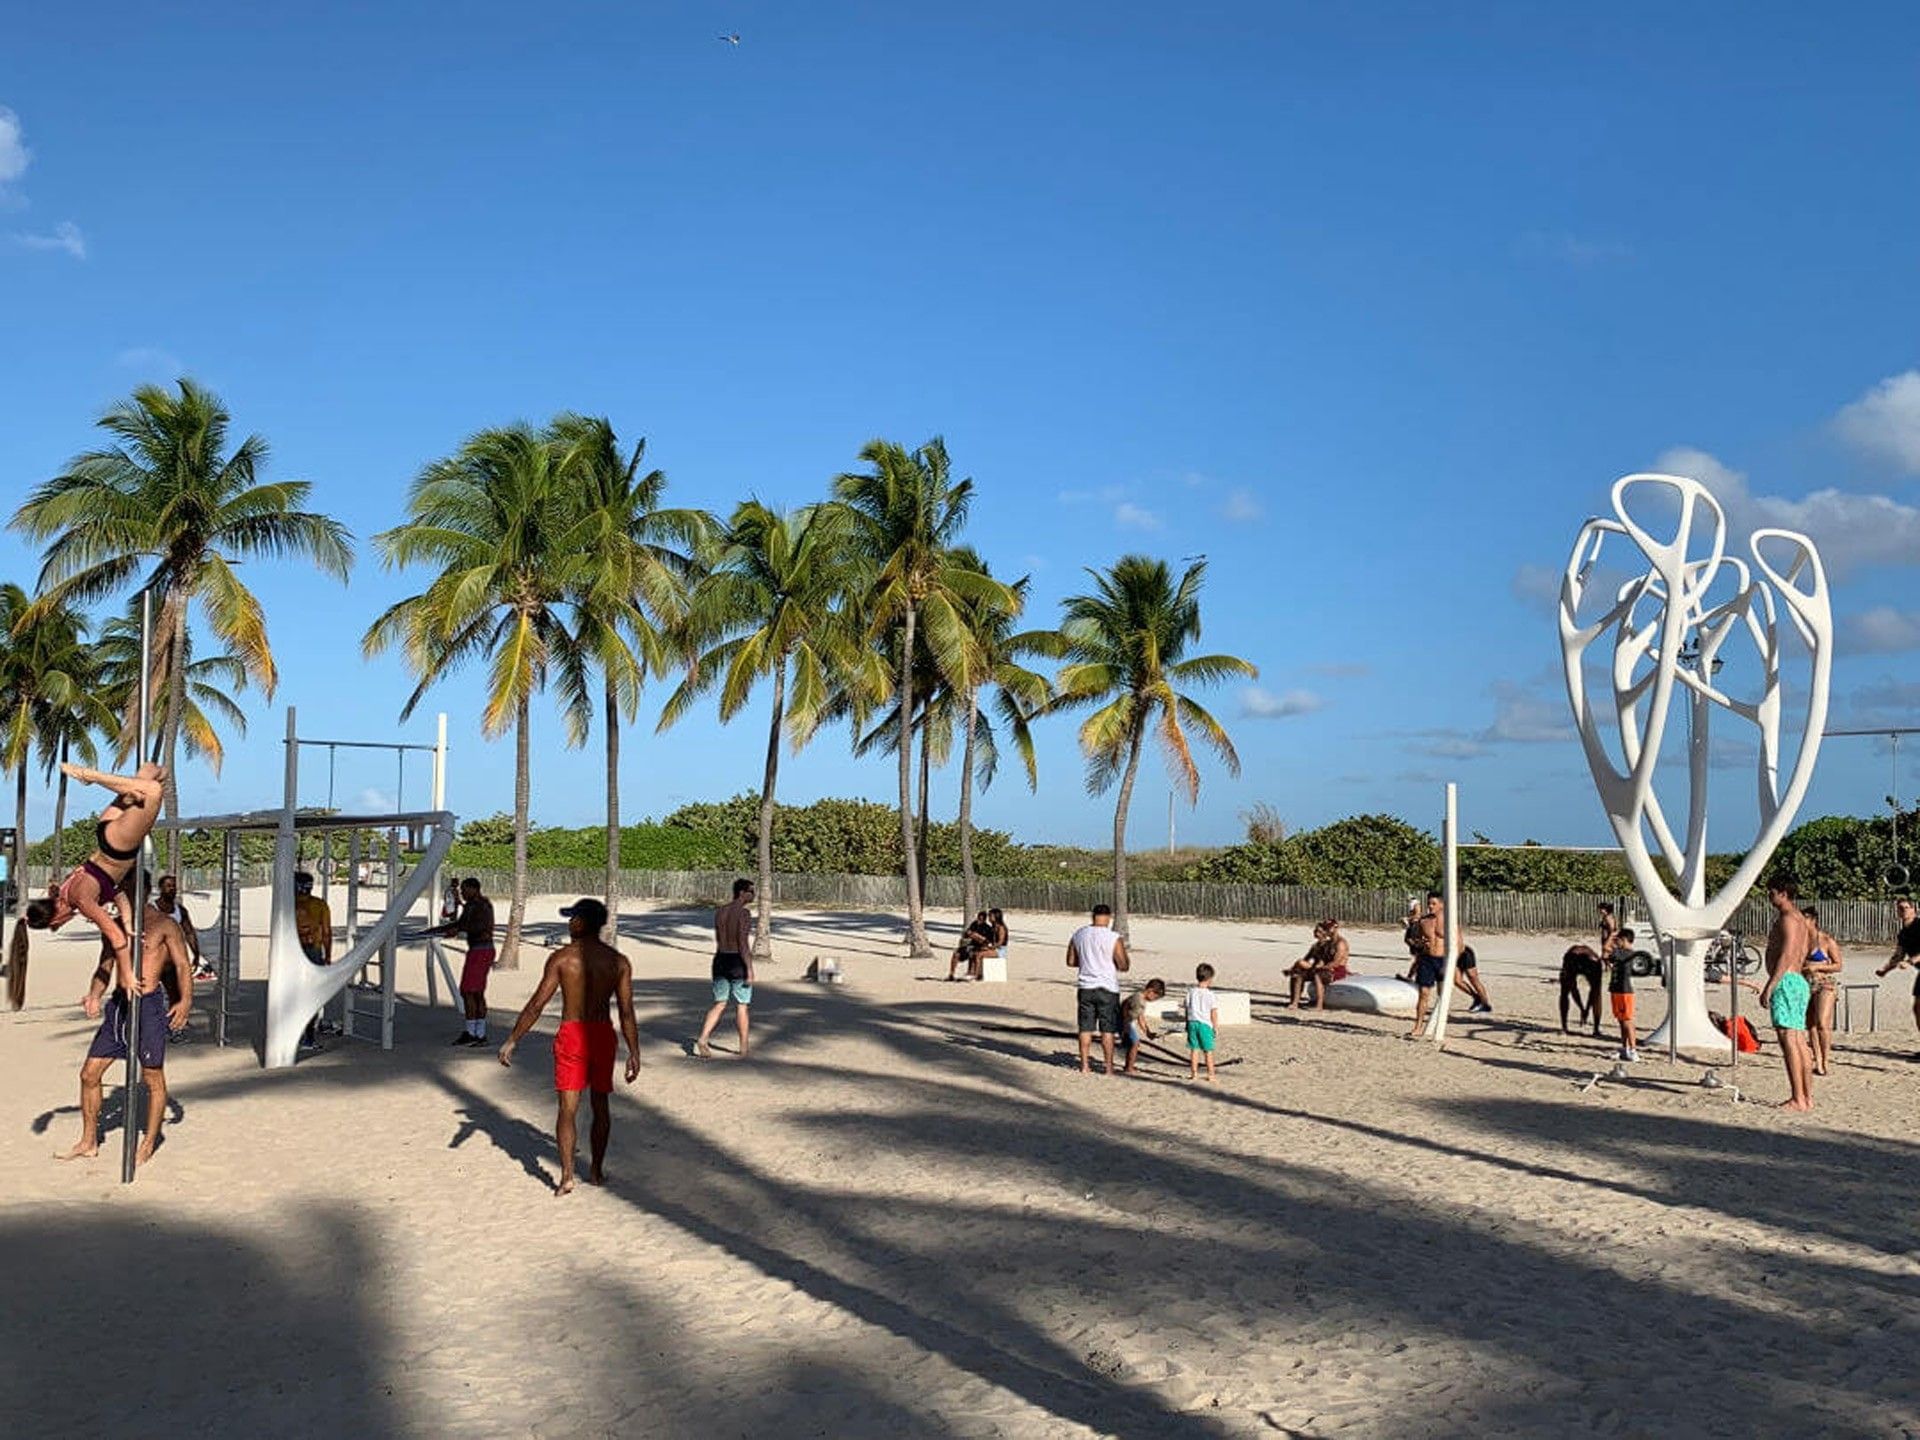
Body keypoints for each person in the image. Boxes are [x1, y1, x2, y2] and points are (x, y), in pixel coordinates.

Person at [499, 898, 641, 1195]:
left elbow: (537, 1004)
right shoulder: (618, 962)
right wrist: (634, 1052)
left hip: (573, 1034)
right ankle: (597, 1171)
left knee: (567, 1108)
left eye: (573, 918)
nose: (569, 923)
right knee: (600, 1104)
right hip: (602, 1034)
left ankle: (566, 1176)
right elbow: (627, 1012)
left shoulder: (563, 959)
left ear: (583, 923)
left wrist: (513, 1040)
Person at [58, 880, 191, 1166]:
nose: (121, 897)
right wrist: (94, 994)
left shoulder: (164, 924)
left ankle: (148, 1142)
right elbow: (105, 965)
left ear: (142, 891)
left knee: (152, 1076)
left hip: (149, 1006)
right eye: (119, 893)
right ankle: (89, 1140)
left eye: (127, 891)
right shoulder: (114, 925)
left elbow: (182, 964)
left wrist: (185, 1001)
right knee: (89, 1074)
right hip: (119, 1005)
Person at [24, 763, 167, 979]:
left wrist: (127, 975)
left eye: (56, 927)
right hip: (106, 832)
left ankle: (90, 776)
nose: (61, 926)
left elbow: (116, 939)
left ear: (55, 919)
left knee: (152, 792)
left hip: (119, 847)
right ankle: (124, 792)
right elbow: (117, 893)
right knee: (155, 772)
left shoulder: (81, 900)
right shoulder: (65, 890)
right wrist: (128, 922)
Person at [1746, 874, 1814, 1112]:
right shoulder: (1800, 920)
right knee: (1798, 1040)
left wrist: (1771, 985)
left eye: (1772, 892)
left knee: (1789, 1040)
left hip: (1786, 981)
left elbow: (1786, 954)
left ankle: (1798, 1097)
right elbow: (1804, 950)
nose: (1769, 896)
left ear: (1783, 893)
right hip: (1796, 981)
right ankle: (1806, 1096)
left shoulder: (1788, 919)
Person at [431, 877, 496, 1046]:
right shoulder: (471, 906)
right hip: (476, 950)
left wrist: (459, 929)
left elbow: (481, 926)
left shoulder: (483, 906)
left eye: (465, 890)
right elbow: (461, 923)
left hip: (482, 950)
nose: (463, 893)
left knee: (472, 991)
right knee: (470, 991)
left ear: (475, 889)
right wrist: (437, 930)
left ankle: (479, 1034)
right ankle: (472, 1031)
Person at [1066, 903, 1130, 1075]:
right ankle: (1108, 1067)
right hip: (1107, 987)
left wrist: (1087, 962)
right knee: (1107, 1030)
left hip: (1086, 985)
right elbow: (1123, 965)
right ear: (1109, 917)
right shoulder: (1113, 937)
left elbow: (1071, 961)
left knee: (1085, 1028)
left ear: (1092, 916)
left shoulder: (1079, 934)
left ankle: (1085, 1065)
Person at [695, 878, 755, 1058]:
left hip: (720, 958)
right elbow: (743, 943)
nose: (753, 895)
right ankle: (743, 1048)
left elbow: (719, 938)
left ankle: (703, 1038)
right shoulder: (744, 914)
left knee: (720, 1003)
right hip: (737, 960)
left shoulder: (721, 911)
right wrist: (749, 968)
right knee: (742, 1005)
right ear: (742, 893)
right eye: (751, 891)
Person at [292, 870, 334, 1048]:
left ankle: (295, 1033)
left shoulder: (288, 904)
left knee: (292, 992)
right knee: (312, 993)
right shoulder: (320, 905)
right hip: (314, 951)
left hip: (292, 951)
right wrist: (328, 955)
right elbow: (326, 933)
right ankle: (308, 1036)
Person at [1872, 896, 1920, 1045]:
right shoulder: (1903, 933)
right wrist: (1885, 971)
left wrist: (1910, 961)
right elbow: (1898, 955)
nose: (1903, 911)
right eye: (1900, 908)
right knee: (1917, 1008)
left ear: (1914, 910)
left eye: (1906, 908)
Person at [1802, 906, 1842, 1078]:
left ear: (1813, 920)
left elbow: (1838, 965)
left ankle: (1826, 1060)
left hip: (1824, 983)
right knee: (1809, 1024)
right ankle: (1817, 1059)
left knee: (1822, 1023)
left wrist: (1818, 966)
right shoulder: (1799, 941)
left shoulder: (1826, 940)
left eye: (1804, 919)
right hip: (1804, 983)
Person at [155, 874, 214, 984]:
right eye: (168, 886)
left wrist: (196, 954)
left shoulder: (180, 910)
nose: (172, 888)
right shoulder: (152, 908)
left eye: (174, 886)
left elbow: (189, 933)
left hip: (174, 957)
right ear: (160, 888)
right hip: (154, 956)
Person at [1403, 891, 1447, 1038]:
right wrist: (1419, 943)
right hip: (1427, 959)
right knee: (1423, 994)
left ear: (1441, 904)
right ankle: (1418, 1026)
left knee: (1443, 995)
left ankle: (1439, 1025)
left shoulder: (1448, 920)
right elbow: (1412, 940)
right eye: (1429, 903)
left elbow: (1457, 941)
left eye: (1434, 903)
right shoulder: (1424, 921)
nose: (1430, 906)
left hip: (1443, 959)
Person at [1606, 926, 1640, 1062]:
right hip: (1616, 989)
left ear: (1624, 940)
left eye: (1618, 940)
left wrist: (1610, 937)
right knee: (1621, 1020)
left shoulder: (1627, 953)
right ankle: (1625, 1047)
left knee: (1627, 1020)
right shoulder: (1620, 952)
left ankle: (1633, 1049)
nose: (1616, 942)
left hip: (1624, 991)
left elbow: (1605, 951)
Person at [1120, 978, 1167, 1075]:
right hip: (1125, 1021)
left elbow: (1140, 1017)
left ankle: (1128, 1065)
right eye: (1155, 997)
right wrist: (1125, 1027)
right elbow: (1126, 1010)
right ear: (1150, 991)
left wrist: (1148, 1032)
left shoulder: (1140, 999)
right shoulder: (1139, 999)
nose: (1154, 1000)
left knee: (1133, 1044)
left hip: (1128, 1021)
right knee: (1135, 1043)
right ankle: (1129, 1067)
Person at [1187, 963, 1220, 1082]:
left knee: (1194, 1049)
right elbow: (1213, 1013)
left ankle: (1194, 1073)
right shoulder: (1211, 995)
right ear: (1210, 979)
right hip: (1205, 1024)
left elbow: (1187, 1008)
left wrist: (1187, 1022)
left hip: (1192, 1022)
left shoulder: (1190, 992)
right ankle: (1211, 1074)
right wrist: (1215, 1027)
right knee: (1208, 1050)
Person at [1285, 923, 1330, 1008]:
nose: (1316, 933)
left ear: (1325, 933)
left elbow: (1323, 962)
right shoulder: (1315, 946)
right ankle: (1294, 1002)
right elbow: (1307, 958)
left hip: (1323, 969)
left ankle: (1319, 1005)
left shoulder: (1327, 945)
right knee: (1297, 975)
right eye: (1315, 931)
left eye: (1319, 931)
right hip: (1314, 968)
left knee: (1299, 963)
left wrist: (1312, 966)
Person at [948, 910, 995, 981]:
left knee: (974, 954)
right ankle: (951, 974)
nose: (979, 920)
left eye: (982, 919)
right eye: (979, 918)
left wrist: (978, 937)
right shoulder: (974, 924)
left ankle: (974, 974)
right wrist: (969, 934)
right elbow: (966, 934)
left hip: (980, 947)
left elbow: (988, 942)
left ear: (985, 919)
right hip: (971, 946)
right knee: (956, 953)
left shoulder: (987, 928)